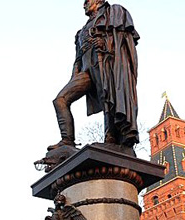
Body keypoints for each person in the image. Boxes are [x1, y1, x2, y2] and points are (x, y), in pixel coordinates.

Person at [48, 0, 140, 152]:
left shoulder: (114, 12)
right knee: (60, 100)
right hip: (86, 69)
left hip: (105, 62)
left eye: (87, 1)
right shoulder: (81, 31)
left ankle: (110, 138)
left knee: (108, 97)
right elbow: (77, 58)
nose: (84, 5)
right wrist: (74, 75)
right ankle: (67, 140)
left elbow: (124, 37)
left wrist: (106, 42)